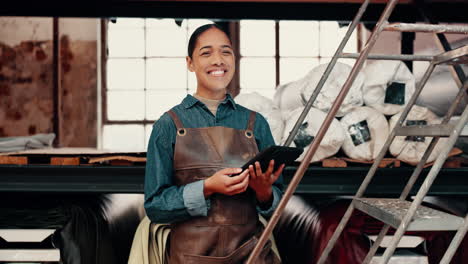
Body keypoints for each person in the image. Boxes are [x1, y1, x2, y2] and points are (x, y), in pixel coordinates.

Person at [144, 23, 284, 264]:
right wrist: (207, 187)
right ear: (190, 63)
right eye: (206, 53)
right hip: (189, 257)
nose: (218, 60)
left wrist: (265, 193)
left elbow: (278, 205)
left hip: (251, 255)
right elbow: (155, 206)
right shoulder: (168, 125)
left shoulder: (255, 123)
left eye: (226, 52)